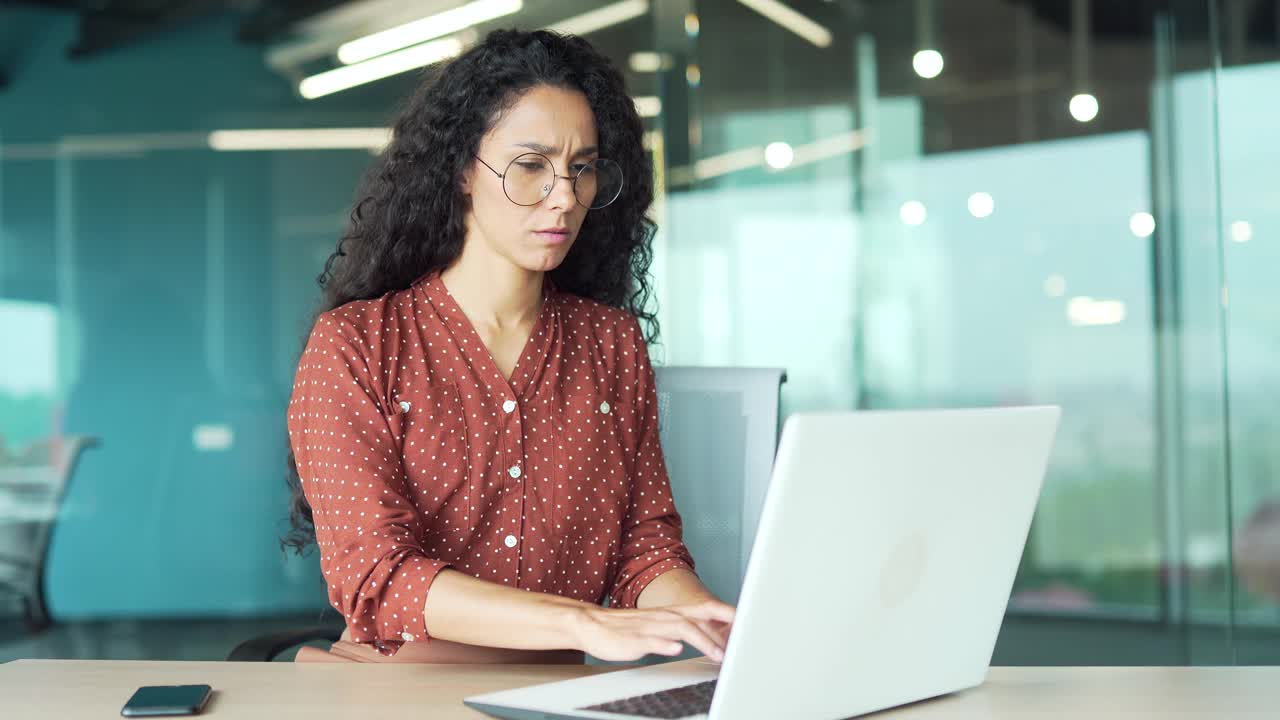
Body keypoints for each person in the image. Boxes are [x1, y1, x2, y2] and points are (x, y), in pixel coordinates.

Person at [283, 29, 734, 664]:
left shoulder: (611, 344)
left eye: (582, 169)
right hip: (397, 690)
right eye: (531, 166)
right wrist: (581, 624)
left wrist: (705, 620)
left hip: (561, 694)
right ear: (462, 169)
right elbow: (377, 577)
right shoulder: (358, 345)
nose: (566, 197)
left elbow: (644, 550)